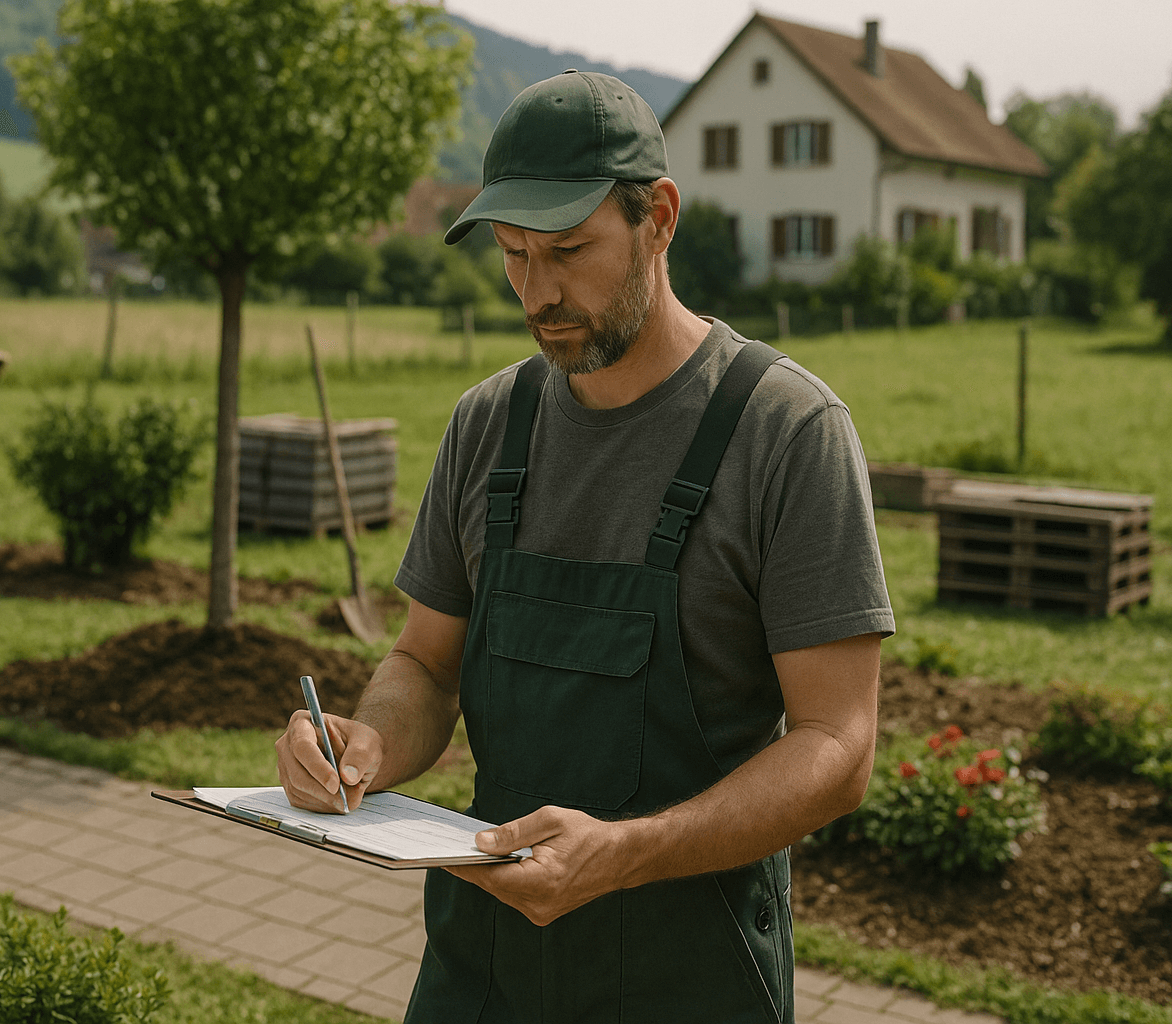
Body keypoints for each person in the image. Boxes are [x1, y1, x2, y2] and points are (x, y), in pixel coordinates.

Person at [276, 69, 895, 1022]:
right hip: (481, 973)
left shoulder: (787, 433)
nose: (538, 291)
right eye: (514, 254)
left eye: (569, 249)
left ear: (660, 218)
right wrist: (364, 745)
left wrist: (627, 851)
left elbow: (838, 745)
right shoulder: (489, 423)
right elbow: (425, 663)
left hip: (687, 978)